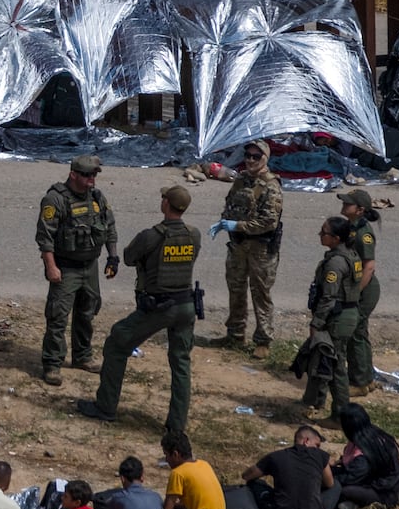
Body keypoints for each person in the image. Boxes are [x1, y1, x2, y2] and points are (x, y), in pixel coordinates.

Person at [77, 185, 199, 431]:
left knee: (117, 342)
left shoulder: (152, 235)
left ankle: (106, 406)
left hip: (159, 306)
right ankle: (177, 424)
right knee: (181, 363)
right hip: (187, 304)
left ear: (166, 204)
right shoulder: (193, 234)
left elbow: (130, 257)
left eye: (163, 198)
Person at [36, 154, 118, 386]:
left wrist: (113, 258)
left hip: (89, 266)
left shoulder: (97, 198)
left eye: (94, 175)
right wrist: (51, 267)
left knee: (87, 313)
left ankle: (82, 356)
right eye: (87, 175)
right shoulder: (55, 199)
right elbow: (45, 237)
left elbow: (109, 227)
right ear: (73, 175)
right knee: (58, 317)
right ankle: (52, 363)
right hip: (66, 267)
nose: (92, 179)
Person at [208, 139, 283, 360]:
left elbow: (269, 222)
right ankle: (235, 333)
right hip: (238, 245)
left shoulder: (271, 186)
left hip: (260, 248)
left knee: (260, 293)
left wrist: (237, 226)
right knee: (236, 288)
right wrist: (225, 222)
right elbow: (231, 205)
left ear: (265, 159)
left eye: (256, 157)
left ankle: (263, 340)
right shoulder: (241, 181)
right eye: (248, 156)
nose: (250, 160)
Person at [302, 216, 362, 422]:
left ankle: (340, 415)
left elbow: (329, 297)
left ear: (336, 238)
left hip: (337, 318)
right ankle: (319, 402)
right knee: (332, 362)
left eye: (324, 232)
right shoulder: (349, 255)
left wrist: (316, 323)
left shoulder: (336, 263)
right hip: (346, 314)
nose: (320, 235)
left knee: (335, 367)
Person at [338, 189, 383, 396]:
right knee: (360, 332)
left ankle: (360, 383)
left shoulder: (363, 234)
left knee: (354, 332)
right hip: (355, 287)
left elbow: (369, 266)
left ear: (360, 210)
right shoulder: (351, 226)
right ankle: (367, 378)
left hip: (363, 289)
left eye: (349, 203)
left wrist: (355, 293)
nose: (344, 206)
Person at [241, 425, 336, 509]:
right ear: (306, 441)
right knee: (336, 485)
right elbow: (329, 483)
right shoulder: (319, 454)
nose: (318, 448)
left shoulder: (276, 456)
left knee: (256, 483)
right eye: (317, 445)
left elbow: (247, 476)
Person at [333, 403, 399, 509]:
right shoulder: (370, 434)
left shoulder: (362, 456)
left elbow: (348, 479)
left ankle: (360, 504)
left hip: (386, 492)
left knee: (343, 489)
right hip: (385, 479)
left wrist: (327, 479)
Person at [161, 431, 226, 509]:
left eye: (166, 455)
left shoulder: (178, 473)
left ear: (175, 454)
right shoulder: (204, 464)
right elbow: (197, 503)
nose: (166, 460)